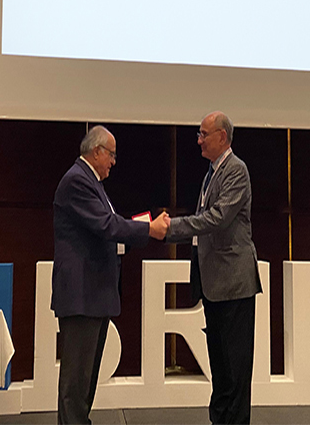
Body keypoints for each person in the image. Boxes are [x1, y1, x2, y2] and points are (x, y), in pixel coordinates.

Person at [53, 125, 170, 424]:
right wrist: (148, 229)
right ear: (97, 152)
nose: (114, 162)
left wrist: (137, 229)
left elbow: (107, 227)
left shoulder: (91, 182)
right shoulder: (78, 181)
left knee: (86, 379)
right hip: (81, 294)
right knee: (76, 382)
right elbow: (106, 225)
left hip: (93, 293)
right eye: (111, 155)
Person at [165, 111, 261, 425]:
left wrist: (171, 227)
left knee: (235, 367)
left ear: (222, 136)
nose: (199, 140)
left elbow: (217, 218)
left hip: (233, 283)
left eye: (203, 134)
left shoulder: (236, 170)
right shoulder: (212, 172)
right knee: (219, 365)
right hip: (214, 283)